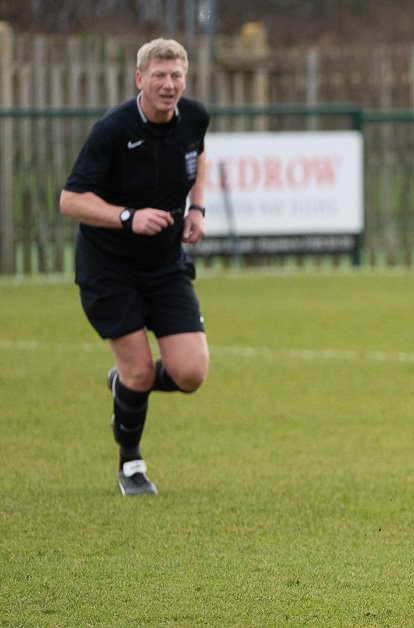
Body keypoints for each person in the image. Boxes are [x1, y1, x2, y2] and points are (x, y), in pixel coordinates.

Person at [58, 38, 211, 496]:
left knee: (191, 374)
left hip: (164, 265)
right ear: (139, 79)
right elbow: (70, 201)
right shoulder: (112, 130)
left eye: (176, 75)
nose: (169, 85)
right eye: (159, 76)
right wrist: (128, 216)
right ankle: (131, 465)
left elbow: (200, 154)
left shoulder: (195, 117)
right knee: (141, 372)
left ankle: (124, 384)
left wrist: (197, 209)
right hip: (110, 268)